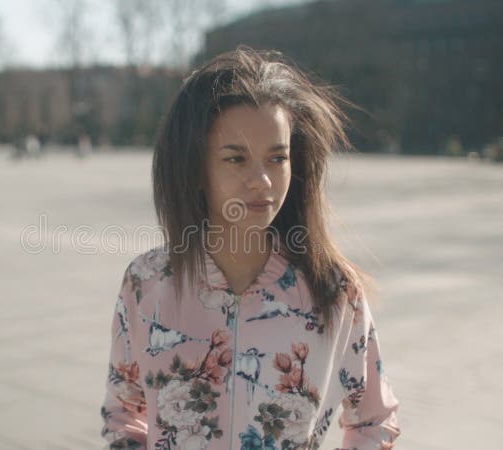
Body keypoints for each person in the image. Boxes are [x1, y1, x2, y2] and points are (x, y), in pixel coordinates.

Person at [100, 47, 401, 450]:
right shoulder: (146, 283)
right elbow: (124, 413)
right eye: (236, 159)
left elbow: (374, 419)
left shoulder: (335, 292)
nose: (261, 180)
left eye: (277, 158)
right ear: (196, 168)